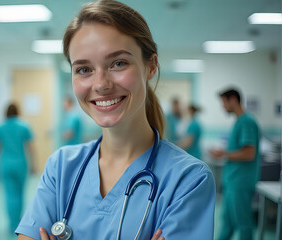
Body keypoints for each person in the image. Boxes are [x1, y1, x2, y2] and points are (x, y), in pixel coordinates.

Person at [16, 1, 215, 240]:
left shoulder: (188, 179)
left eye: (118, 63)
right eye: (83, 69)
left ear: (150, 67)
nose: (101, 84)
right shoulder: (61, 168)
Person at [209, 88, 261, 240]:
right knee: (227, 222)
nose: (223, 107)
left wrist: (223, 154)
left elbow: (249, 153)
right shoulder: (239, 122)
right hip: (232, 180)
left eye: (224, 103)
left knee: (243, 223)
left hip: (241, 182)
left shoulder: (247, 122)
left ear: (233, 100)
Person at [0, 103, 35, 233]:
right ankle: (19, 222)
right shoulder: (24, 125)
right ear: (18, 112)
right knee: (20, 193)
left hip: (5, 164)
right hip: (20, 164)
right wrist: (34, 164)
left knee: (10, 194)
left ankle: (12, 224)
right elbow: (30, 147)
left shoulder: (0, 127)